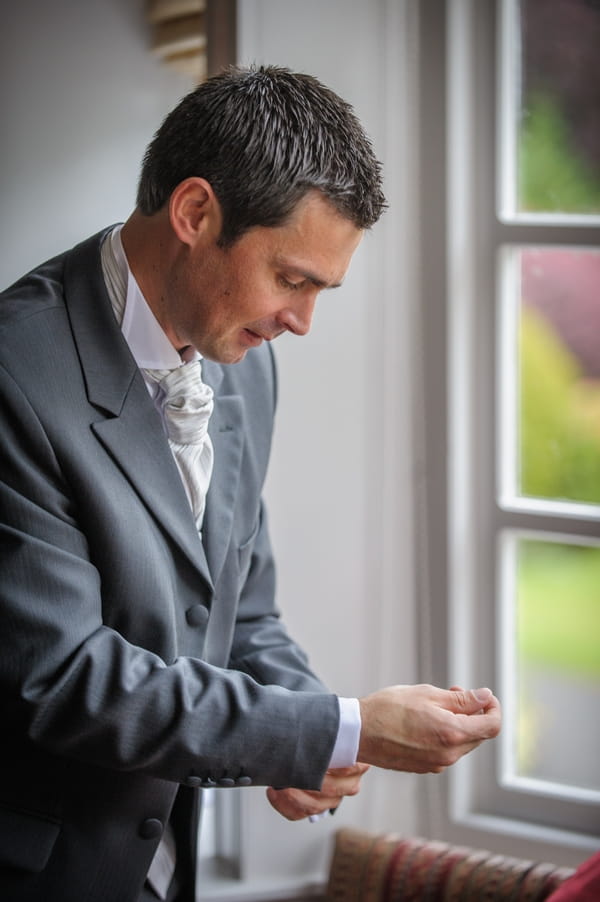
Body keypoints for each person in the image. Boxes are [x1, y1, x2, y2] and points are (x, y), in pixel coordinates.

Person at [0, 65, 501, 902]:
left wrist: (313, 731)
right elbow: (65, 680)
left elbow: (239, 608)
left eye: (322, 290)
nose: (301, 322)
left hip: (164, 872)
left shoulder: (243, 361)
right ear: (195, 213)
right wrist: (337, 725)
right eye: (293, 278)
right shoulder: (15, 376)